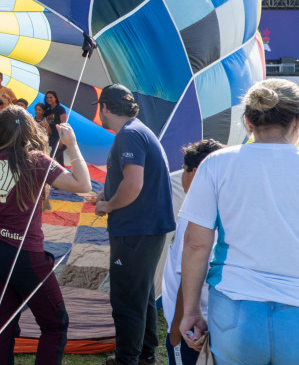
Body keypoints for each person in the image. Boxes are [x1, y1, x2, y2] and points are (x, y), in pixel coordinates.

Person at [0, 106, 91, 364]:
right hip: (24, 256)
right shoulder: (36, 160)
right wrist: (72, 144)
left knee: (3, 325)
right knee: (55, 325)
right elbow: (83, 185)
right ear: (29, 130)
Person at [178, 79, 299, 363]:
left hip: (234, 307)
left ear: (247, 121)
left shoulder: (217, 163)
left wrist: (191, 311)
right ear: (296, 120)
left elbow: (196, 244)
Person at [93, 84, 176, 365]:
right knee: (142, 294)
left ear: (104, 107)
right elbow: (134, 179)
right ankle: (145, 355)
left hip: (136, 230)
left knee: (127, 298)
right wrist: (109, 190)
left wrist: (108, 204)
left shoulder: (129, 135)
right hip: (146, 228)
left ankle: (127, 358)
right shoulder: (138, 130)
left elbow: (134, 183)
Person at [161, 139, 224, 365]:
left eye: (184, 171)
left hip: (191, 327)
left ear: (196, 172)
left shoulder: (193, 214)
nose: (182, 178)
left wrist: (176, 333)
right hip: (216, 320)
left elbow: (186, 274)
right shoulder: (228, 205)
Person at [42, 91, 68, 165]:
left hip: (61, 138)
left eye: (51, 97)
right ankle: (63, 175)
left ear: (55, 98)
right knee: (60, 162)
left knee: (51, 157)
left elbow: (64, 125)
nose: (48, 99)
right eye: (47, 98)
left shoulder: (60, 109)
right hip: (53, 138)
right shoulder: (48, 111)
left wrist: (62, 140)